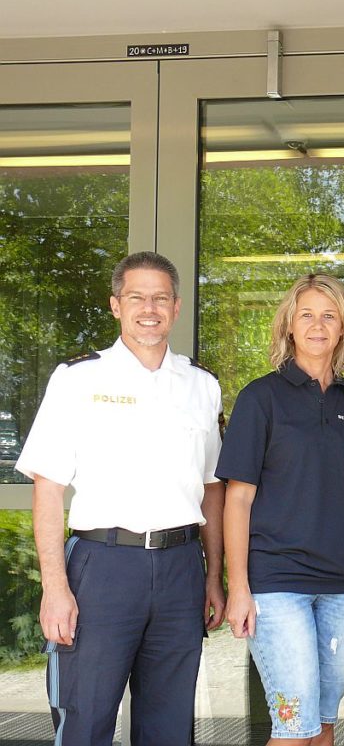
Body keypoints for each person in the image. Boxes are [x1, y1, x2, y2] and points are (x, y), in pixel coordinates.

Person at [16, 251, 225, 745]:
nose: (148, 308)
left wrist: (214, 578)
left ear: (176, 307)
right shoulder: (78, 379)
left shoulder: (202, 385)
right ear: (116, 305)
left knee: (170, 728)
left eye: (160, 298)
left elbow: (213, 489)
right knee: (85, 721)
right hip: (101, 567)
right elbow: (47, 487)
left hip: (180, 569)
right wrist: (55, 587)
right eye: (136, 297)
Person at [218, 274, 344, 746]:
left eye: (329, 315)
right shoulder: (260, 397)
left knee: (323, 723)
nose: (318, 325)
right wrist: (238, 588)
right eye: (306, 314)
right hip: (277, 585)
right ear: (289, 326)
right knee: (294, 725)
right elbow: (237, 499)